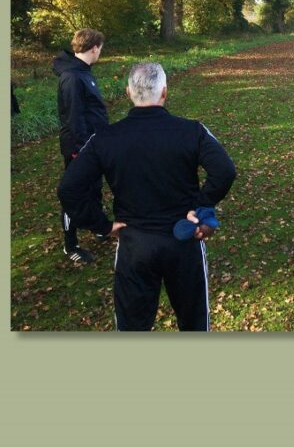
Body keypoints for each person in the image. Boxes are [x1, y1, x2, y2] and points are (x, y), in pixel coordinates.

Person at [58, 62, 237, 330]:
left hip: (136, 245)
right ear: (164, 92)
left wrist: (102, 225)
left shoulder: (104, 138)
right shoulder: (192, 131)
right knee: (194, 324)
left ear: (129, 92)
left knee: (132, 328)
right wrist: (200, 206)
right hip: (182, 242)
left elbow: (68, 188)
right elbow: (225, 171)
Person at [54, 28, 109, 265]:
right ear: (94, 47)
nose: (100, 52)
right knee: (74, 193)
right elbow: (73, 117)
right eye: (100, 49)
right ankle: (71, 244)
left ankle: (98, 226)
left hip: (93, 144)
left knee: (94, 188)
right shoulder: (72, 77)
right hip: (80, 147)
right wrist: (79, 149)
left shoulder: (85, 72)